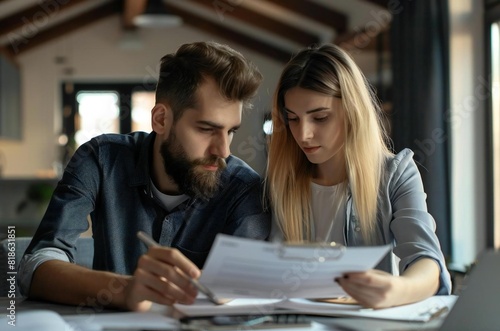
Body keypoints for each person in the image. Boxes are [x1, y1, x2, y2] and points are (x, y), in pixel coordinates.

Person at [18, 41, 271, 311]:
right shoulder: (101, 160)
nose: (223, 150)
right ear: (161, 119)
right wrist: (126, 290)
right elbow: (34, 268)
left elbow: (245, 290)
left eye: (231, 131)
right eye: (206, 129)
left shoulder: (243, 189)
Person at [265, 44, 451, 309]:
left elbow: (426, 260)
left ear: (353, 112)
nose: (303, 134)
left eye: (320, 117)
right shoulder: (280, 182)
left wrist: (398, 289)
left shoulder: (395, 174)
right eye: (293, 119)